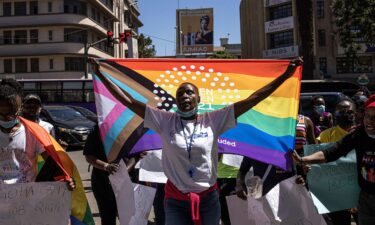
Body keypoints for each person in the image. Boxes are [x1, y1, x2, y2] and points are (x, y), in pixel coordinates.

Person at [89, 57, 301, 225]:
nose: (185, 96)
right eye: (180, 93)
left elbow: (253, 99)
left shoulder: (214, 119)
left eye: (190, 92)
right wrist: (100, 74)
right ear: (176, 99)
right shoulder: (164, 120)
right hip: (175, 200)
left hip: (208, 199)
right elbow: (128, 100)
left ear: (199, 99)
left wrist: (285, 76)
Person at [293, 94, 375, 225]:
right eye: (368, 116)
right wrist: (303, 160)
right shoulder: (358, 135)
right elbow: (331, 153)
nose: (370, 121)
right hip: (364, 198)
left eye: (374, 117)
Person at [0, 79, 74, 188]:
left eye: (10, 111)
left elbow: (52, 162)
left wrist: (63, 179)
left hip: (29, 197)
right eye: (1, 112)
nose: (6, 117)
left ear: (19, 108)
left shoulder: (34, 132)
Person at [83, 125, 136, 225]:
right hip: (102, 183)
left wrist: (125, 171)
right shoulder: (97, 128)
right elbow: (89, 156)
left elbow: (137, 154)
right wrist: (106, 166)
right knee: (107, 218)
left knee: (129, 219)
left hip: (127, 182)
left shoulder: (130, 125)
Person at [316, 98, 357, 225]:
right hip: (336, 192)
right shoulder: (325, 136)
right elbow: (318, 162)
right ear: (335, 114)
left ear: (355, 113)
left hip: (361, 192)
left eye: (349, 111)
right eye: (341, 112)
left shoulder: (363, 133)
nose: (345, 114)